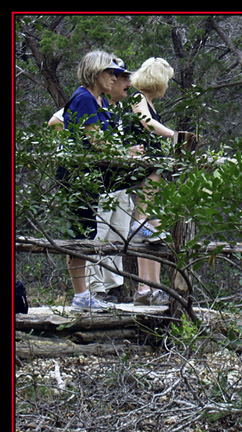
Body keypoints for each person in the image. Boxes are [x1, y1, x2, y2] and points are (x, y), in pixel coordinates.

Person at [49, 56, 139, 304]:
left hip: (93, 178)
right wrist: (124, 154)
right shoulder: (84, 98)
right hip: (79, 178)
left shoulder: (100, 102)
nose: (114, 77)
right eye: (110, 72)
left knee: (88, 234)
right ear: (95, 72)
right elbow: (96, 140)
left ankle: (84, 294)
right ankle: (81, 295)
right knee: (81, 234)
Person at [126, 57, 178, 306]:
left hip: (154, 167)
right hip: (144, 168)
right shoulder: (137, 99)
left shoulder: (148, 101)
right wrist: (173, 134)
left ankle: (150, 288)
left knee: (154, 228)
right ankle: (144, 287)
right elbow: (146, 123)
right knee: (144, 219)